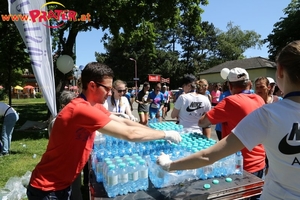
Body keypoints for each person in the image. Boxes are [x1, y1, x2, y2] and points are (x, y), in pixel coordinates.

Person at [157, 40, 300, 200]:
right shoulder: (259, 101)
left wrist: (170, 164)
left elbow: (208, 153)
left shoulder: (267, 113)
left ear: (279, 71)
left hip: (249, 171)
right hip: (260, 163)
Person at [27, 62, 181, 199]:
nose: (109, 93)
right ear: (92, 85)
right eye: (107, 88)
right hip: (47, 187)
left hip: (61, 184)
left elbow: (124, 122)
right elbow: (129, 134)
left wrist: (149, 128)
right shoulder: (81, 109)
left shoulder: (94, 106)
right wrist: (164, 134)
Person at [48, 90, 83, 200]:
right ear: (63, 105)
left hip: (72, 160)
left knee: (76, 188)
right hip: (63, 162)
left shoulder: (72, 118)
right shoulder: (57, 121)